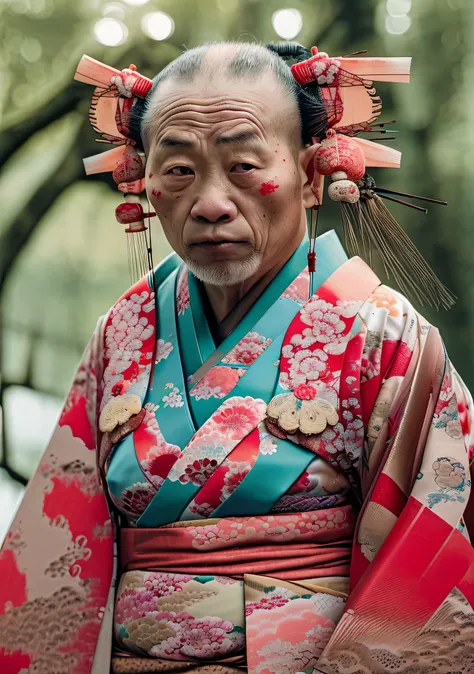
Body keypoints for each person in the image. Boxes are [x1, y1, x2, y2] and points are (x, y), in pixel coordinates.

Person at [0, 41, 473, 674]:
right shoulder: (125, 329)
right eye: (179, 171)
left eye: (244, 164)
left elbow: (434, 543)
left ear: (310, 176)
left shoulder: (382, 333)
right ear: (144, 184)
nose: (210, 201)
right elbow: (60, 542)